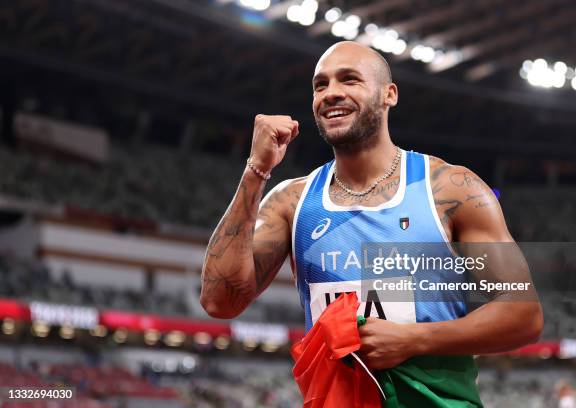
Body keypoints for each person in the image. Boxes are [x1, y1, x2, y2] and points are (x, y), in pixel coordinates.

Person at [201, 41, 543, 406]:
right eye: (320, 85)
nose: (331, 93)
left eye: (349, 80)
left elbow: (523, 315)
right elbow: (220, 302)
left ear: (388, 94)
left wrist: (413, 340)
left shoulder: (450, 190)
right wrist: (257, 171)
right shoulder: (292, 201)